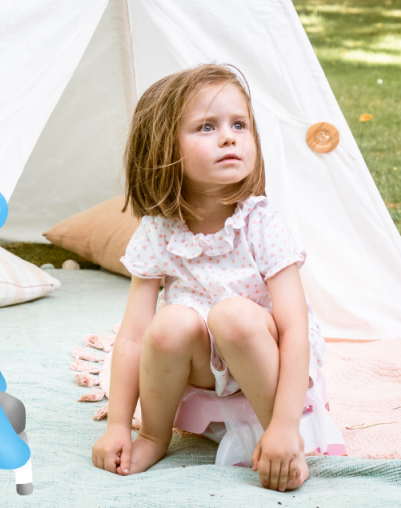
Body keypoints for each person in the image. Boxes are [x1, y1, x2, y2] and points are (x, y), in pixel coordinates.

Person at [92, 64, 337, 492]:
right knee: (169, 323)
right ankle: (155, 434)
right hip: (204, 364)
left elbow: (296, 329)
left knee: (232, 316)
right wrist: (118, 426)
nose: (229, 137)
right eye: (207, 127)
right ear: (164, 148)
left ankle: (277, 438)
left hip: (262, 355)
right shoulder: (159, 230)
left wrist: (284, 424)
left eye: (239, 124)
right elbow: (133, 336)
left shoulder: (261, 224)